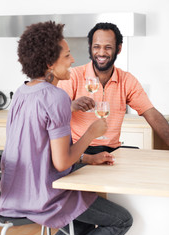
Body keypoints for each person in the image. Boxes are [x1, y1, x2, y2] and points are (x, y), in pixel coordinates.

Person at [0, 21, 132, 235]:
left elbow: (42, 152)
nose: (73, 60)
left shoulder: (21, 93)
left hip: (13, 196)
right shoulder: (56, 96)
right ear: (50, 63)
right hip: (47, 199)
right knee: (122, 220)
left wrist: (87, 158)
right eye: (68, 55)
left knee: (79, 226)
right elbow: (61, 163)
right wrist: (91, 132)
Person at [58, 22, 169, 161]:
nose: (101, 53)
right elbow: (53, 113)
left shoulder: (127, 80)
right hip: (79, 151)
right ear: (90, 48)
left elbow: (151, 113)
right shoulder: (73, 76)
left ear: (119, 49)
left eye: (108, 47)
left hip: (113, 151)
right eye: (96, 47)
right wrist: (72, 106)